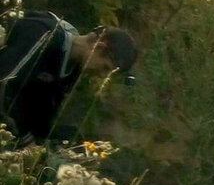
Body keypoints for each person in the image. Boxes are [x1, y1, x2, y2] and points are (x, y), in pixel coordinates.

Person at [0, 10, 138, 144]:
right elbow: (4, 82)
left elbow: (38, 112)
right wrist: (25, 139)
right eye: (105, 68)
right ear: (99, 47)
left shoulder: (73, 68)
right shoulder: (47, 35)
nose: (102, 75)